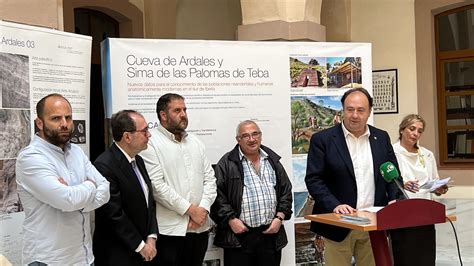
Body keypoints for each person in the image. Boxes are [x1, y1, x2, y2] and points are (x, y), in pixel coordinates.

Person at [305, 88, 400, 266]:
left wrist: (395, 198)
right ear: (342, 110)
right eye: (350, 109)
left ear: (369, 112)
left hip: (374, 225)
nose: (354, 115)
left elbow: (392, 175)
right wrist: (335, 205)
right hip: (338, 225)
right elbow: (314, 179)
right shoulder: (323, 139)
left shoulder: (381, 137)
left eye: (360, 110)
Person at [15, 93, 110, 265]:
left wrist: (78, 201)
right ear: (39, 123)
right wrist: (90, 185)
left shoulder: (76, 152)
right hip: (49, 259)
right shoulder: (31, 157)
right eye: (56, 118)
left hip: (84, 257)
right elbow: (67, 200)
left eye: (68, 117)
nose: (65, 124)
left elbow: (105, 188)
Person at [140, 93, 216, 266]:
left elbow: (210, 179)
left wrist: (202, 210)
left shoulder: (196, 142)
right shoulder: (151, 143)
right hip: (171, 232)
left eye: (184, 109)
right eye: (177, 110)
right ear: (163, 115)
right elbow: (157, 186)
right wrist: (190, 210)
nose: (183, 114)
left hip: (200, 229)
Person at [210, 120, 293, 266]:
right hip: (239, 237)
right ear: (238, 140)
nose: (252, 139)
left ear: (261, 136)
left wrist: (279, 218)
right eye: (246, 136)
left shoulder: (272, 161)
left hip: (270, 234)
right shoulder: (226, 163)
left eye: (255, 134)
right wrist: (231, 219)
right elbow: (216, 196)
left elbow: (286, 191)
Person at [93, 110, 158, 265]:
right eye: (144, 131)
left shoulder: (139, 161)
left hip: (144, 251)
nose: (149, 135)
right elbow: (113, 213)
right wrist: (140, 245)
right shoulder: (105, 165)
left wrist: (152, 237)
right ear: (127, 137)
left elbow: (149, 203)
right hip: (118, 253)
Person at [390, 114, 448, 266]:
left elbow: (434, 181)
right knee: (404, 257)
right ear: (402, 130)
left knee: (426, 258)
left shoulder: (427, 154)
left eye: (420, 131)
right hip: (402, 214)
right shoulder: (391, 152)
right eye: (412, 129)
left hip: (425, 213)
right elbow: (386, 183)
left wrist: (439, 188)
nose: (416, 134)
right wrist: (402, 184)